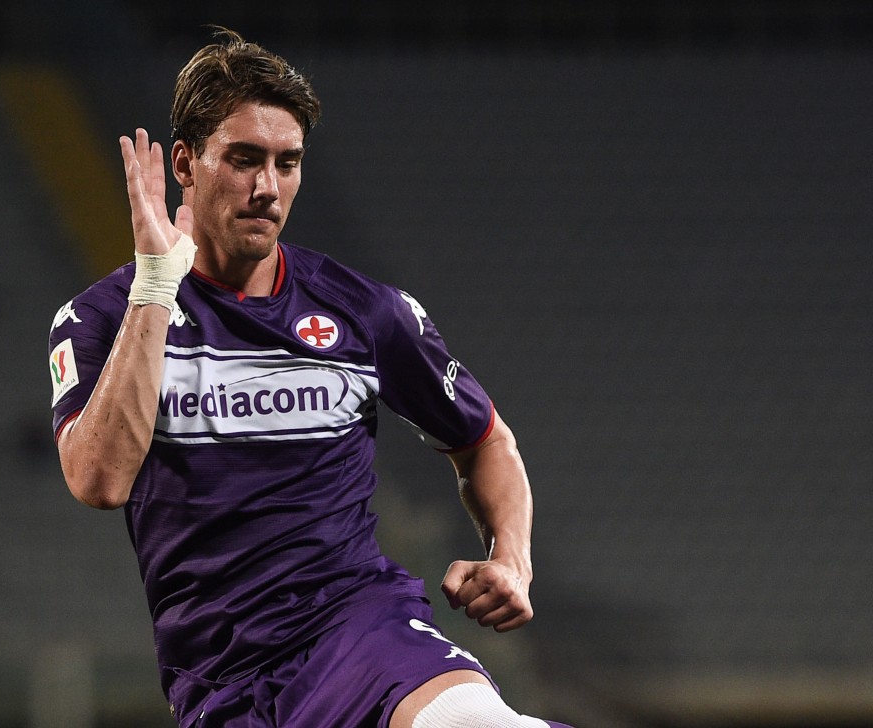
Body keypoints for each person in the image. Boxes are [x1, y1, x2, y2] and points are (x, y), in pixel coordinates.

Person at [49, 28, 573, 728]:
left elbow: (485, 440)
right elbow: (99, 481)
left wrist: (511, 560)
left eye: (287, 163)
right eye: (244, 159)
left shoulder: (364, 311)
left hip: (359, 633)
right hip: (218, 679)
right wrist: (155, 287)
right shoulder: (103, 317)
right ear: (185, 163)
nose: (267, 187)